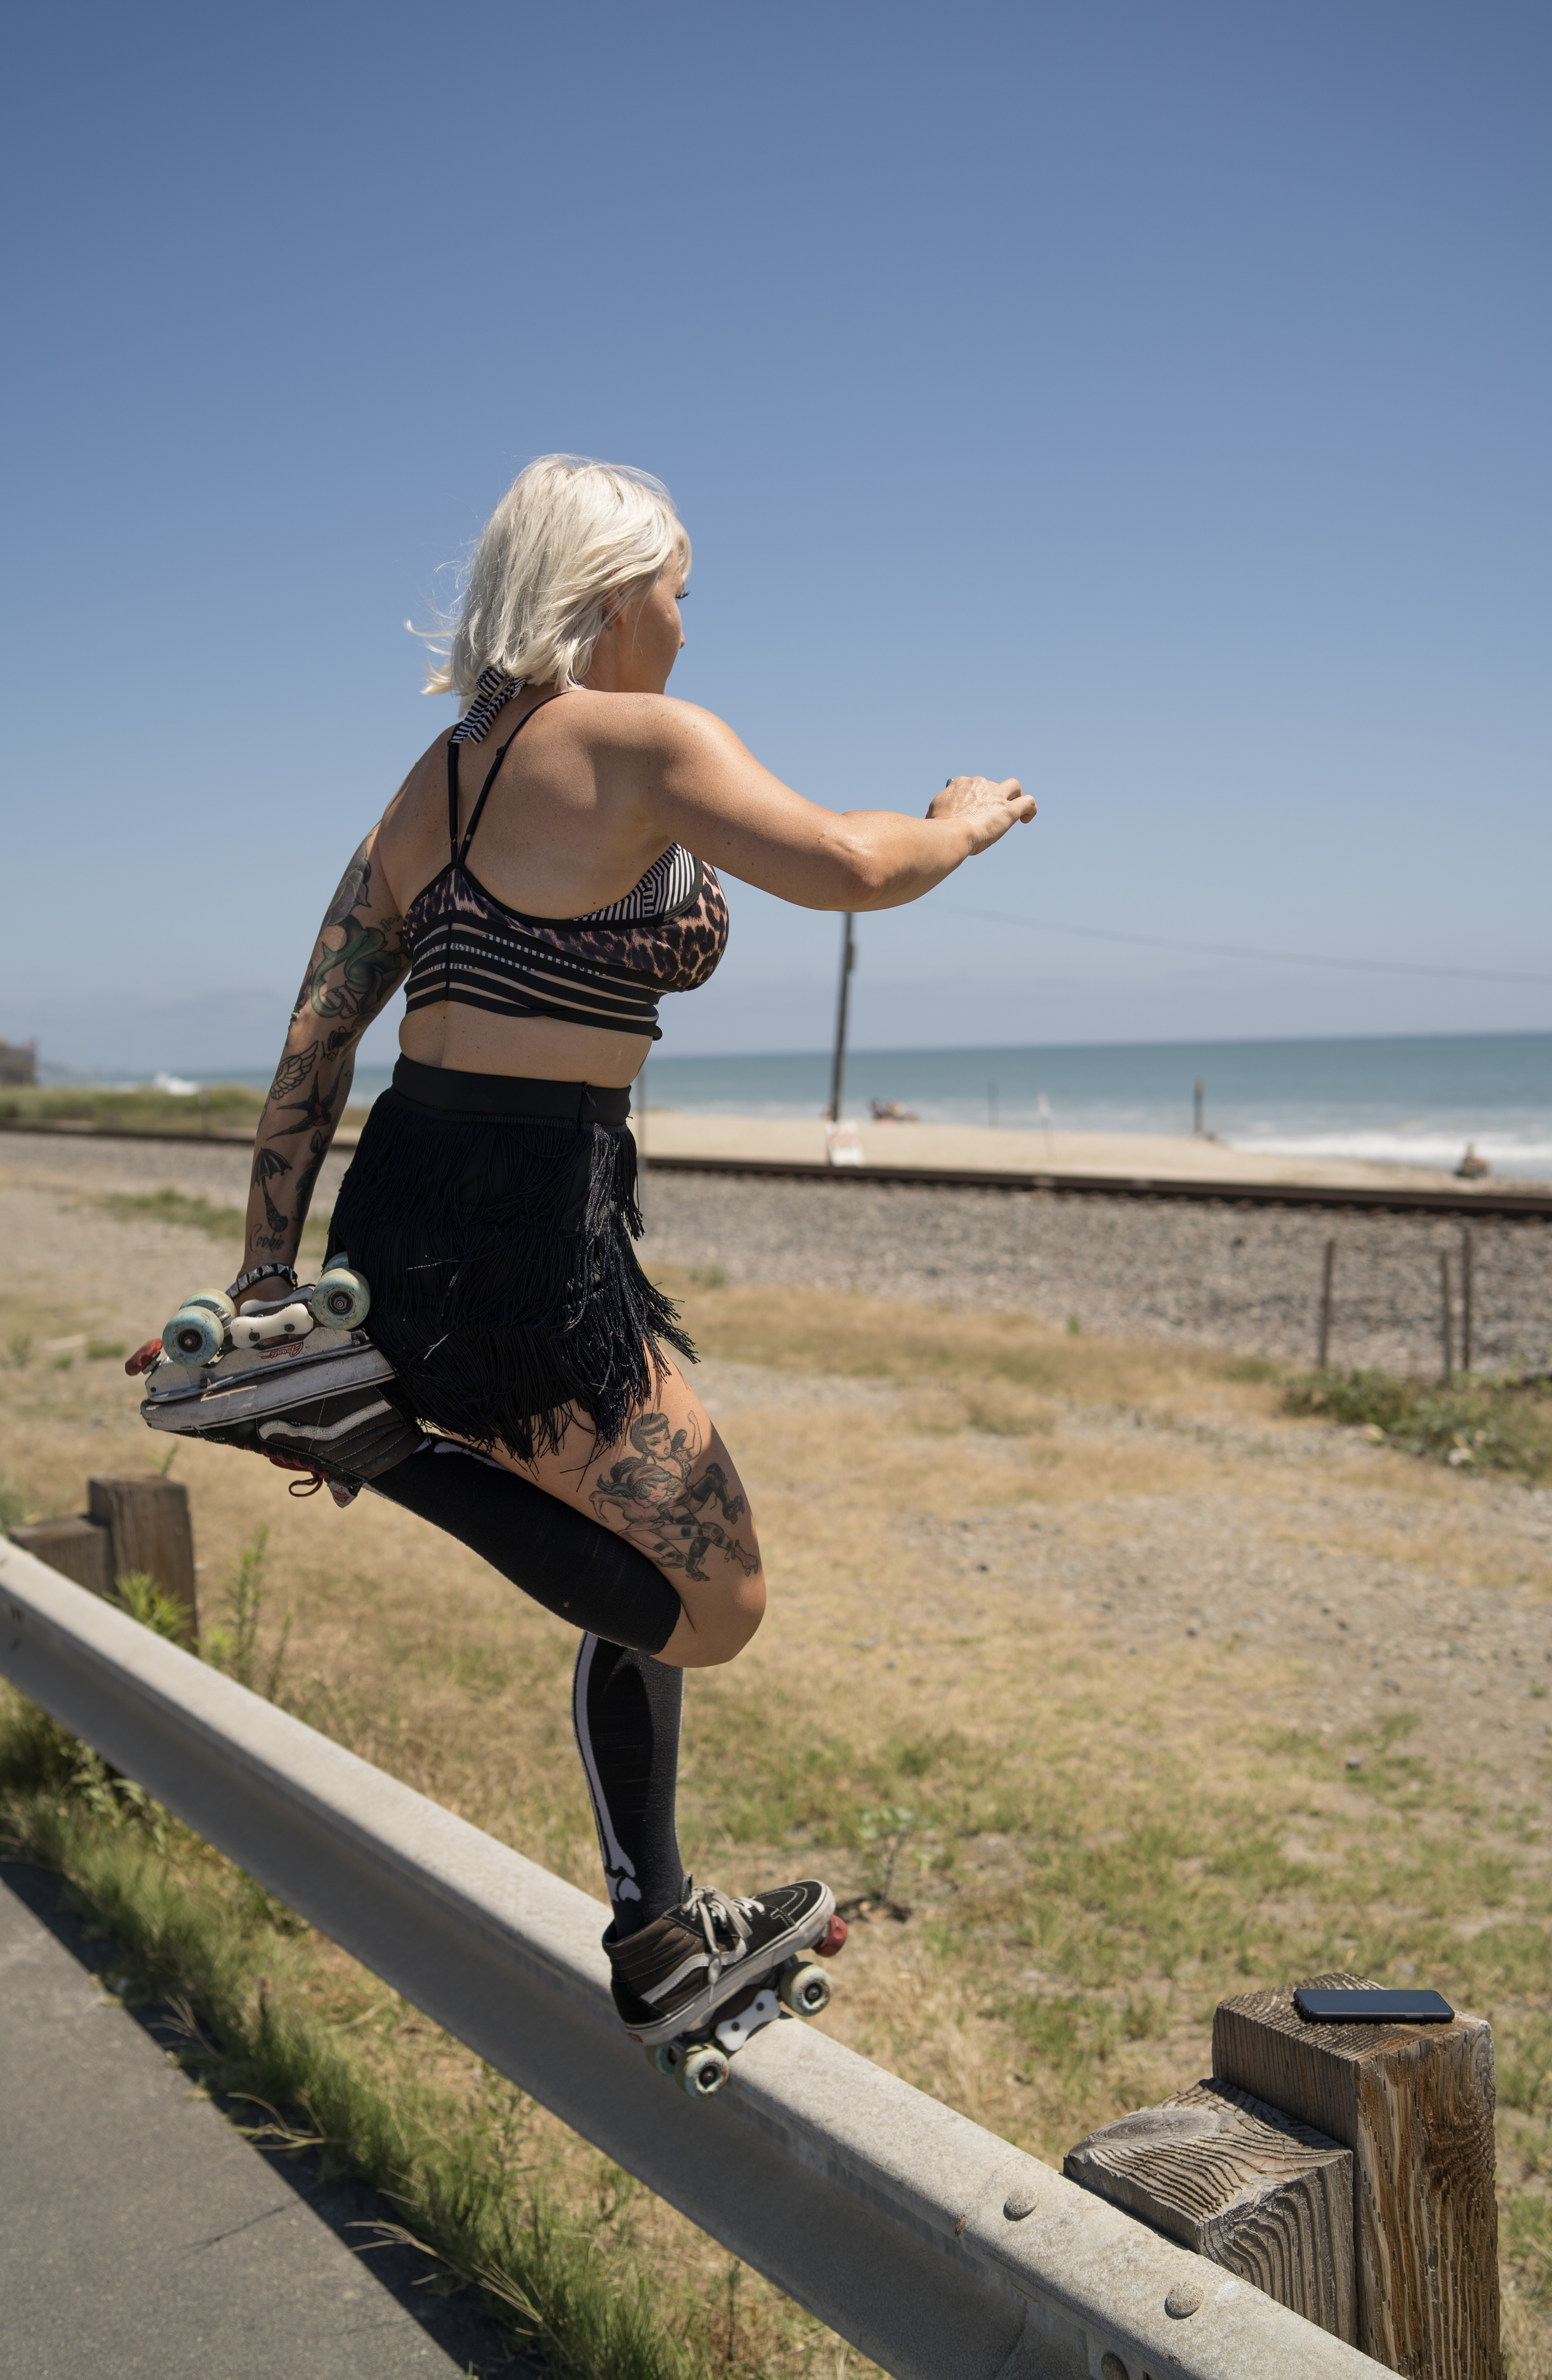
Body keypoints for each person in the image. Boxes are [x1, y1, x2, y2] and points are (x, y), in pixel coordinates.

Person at [213, 454, 1035, 2048]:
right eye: (677, 590)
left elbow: (322, 1028)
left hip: (410, 1204)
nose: (688, 621)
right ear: (606, 597)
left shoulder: (441, 773)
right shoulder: (639, 739)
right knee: (717, 1605)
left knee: (631, 1552)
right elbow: (854, 865)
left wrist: (268, 1284)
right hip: (533, 1236)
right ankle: (370, 1444)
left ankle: (658, 1933)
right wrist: (964, 823)